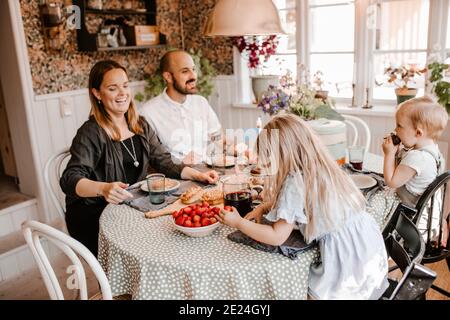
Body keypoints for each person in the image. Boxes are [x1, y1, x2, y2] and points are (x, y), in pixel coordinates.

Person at [215, 113, 389, 300]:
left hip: (347, 258)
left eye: (268, 158)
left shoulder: (294, 182)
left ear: (281, 156)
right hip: (366, 244)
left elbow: (277, 236)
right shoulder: (319, 165)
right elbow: (303, 202)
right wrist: (264, 207)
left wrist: (239, 223)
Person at [60, 60, 219, 256]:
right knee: (160, 247)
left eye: (125, 86)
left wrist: (197, 175)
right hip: (96, 215)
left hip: (133, 208)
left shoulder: (140, 125)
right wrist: (103, 189)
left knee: (177, 236)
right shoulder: (91, 132)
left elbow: (163, 161)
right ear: (97, 93)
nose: (122, 93)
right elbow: (69, 179)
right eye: (112, 88)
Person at [382, 96, 448, 245]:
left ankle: (373, 247)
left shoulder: (417, 159)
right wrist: (398, 152)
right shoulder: (433, 152)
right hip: (428, 215)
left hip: (412, 222)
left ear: (418, 133)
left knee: (370, 203)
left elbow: (391, 181)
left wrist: (389, 154)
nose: (395, 130)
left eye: (399, 125)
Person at [139, 49, 222, 164]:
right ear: (168, 77)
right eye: (185, 71)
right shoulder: (148, 113)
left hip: (208, 171)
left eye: (193, 69)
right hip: (175, 179)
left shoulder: (201, 102)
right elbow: (150, 159)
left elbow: (217, 138)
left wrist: (236, 149)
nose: (193, 76)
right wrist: (180, 163)